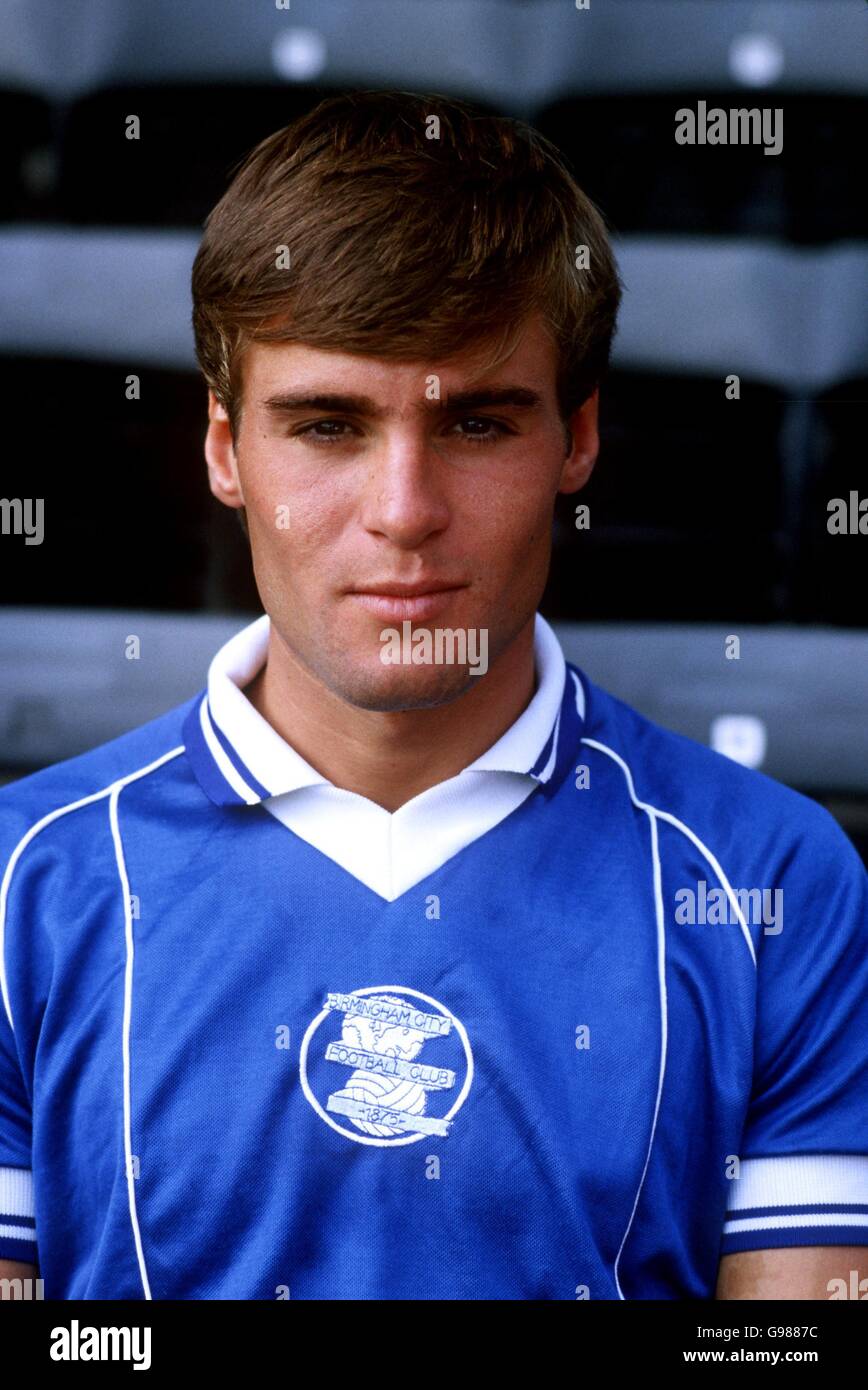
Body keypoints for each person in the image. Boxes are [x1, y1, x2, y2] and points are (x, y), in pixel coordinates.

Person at [1, 90, 865, 1301]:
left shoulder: (772, 882)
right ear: (220, 447)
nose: (404, 510)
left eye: (474, 422)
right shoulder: (22, 886)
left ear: (576, 439)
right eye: (326, 424)